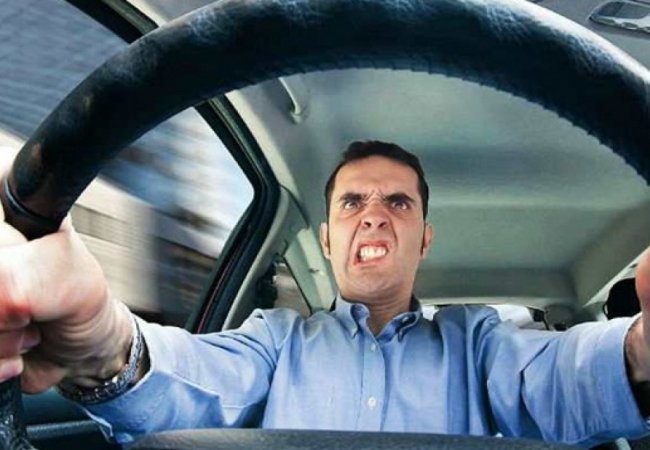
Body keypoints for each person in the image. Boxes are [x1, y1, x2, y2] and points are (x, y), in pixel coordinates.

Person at [0, 141, 649, 447]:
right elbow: (198, 377)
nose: (375, 216)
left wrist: (640, 350)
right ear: (329, 237)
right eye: (352, 203)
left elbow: (556, 376)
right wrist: (102, 338)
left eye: (398, 203)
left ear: (423, 239)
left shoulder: (479, 341)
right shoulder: (275, 339)